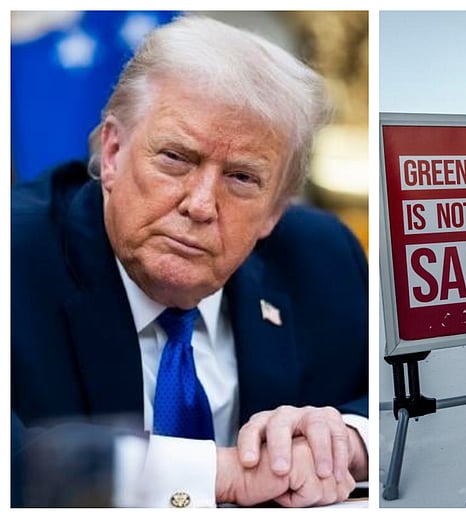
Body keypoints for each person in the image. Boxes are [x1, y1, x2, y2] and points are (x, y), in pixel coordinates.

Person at [11, 15, 368, 507]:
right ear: (113, 153)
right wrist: (217, 475)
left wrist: (344, 442)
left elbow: (396, 398)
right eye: (176, 158)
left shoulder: (324, 258)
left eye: (242, 178)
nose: (200, 205)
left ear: (275, 211)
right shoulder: (18, 255)